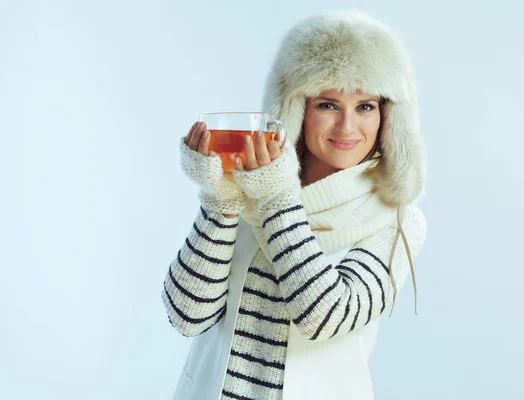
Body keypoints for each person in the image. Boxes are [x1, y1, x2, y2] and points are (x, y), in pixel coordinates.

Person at [162, 10, 427, 400]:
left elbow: (325, 317)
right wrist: (222, 200)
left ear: (388, 116)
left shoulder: (397, 220)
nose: (347, 127)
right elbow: (186, 315)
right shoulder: (249, 187)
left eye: (365, 106)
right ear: (297, 109)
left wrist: (277, 196)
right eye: (328, 104)